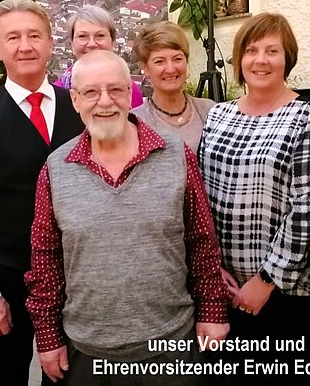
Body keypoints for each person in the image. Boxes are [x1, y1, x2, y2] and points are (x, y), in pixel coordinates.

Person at [25, 50, 229, 385]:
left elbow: (202, 241)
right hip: (87, 354)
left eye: (116, 90)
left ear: (131, 94)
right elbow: (45, 260)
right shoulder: (56, 168)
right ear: (75, 100)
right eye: (91, 92)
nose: (105, 102)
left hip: (171, 347)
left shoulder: (175, 154)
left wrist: (213, 311)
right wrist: (48, 337)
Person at [198, 13, 310, 385]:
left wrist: (265, 281)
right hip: (222, 285)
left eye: (272, 51)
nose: (261, 60)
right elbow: (202, 196)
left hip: (280, 292)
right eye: (251, 50)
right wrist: (212, 270)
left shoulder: (308, 117)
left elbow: (307, 208)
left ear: (287, 58)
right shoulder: (218, 115)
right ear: (239, 59)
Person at [0, 0, 84, 385]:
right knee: (8, 375)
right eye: (13, 37)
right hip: (10, 275)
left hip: (77, 274)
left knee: (67, 375)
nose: (25, 46)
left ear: (50, 43)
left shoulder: (79, 105)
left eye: (34, 35)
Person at [132, 21, 215, 151]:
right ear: (145, 68)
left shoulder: (209, 110)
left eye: (177, 59)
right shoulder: (134, 121)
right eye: (159, 61)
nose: (170, 69)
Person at [54, 5, 144, 108]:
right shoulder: (56, 96)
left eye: (100, 35)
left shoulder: (130, 91)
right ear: (72, 44)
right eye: (82, 36)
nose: (92, 44)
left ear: (113, 43)